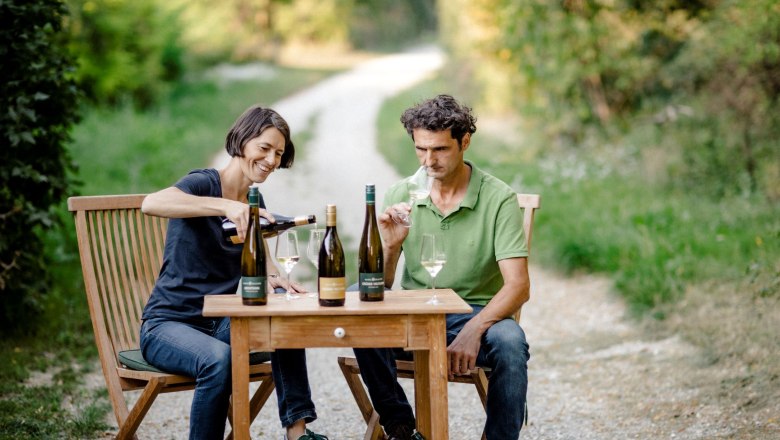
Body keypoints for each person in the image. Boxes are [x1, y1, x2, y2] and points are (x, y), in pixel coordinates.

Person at [140, 105, 327, 440]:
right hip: (169, 324)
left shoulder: (254, 200)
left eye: (278, 153)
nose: (271, 161)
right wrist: (225, 205)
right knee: (218, 360)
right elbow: (151, 203)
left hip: (222, 323)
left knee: (281, 320)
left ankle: (298, 432)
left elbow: (262, 256)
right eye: (265, 148)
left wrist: (277, 282)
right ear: (242, 141)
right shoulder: (202, 183)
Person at [353, 95, 531, 440]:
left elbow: (519, 286)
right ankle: (401, 426)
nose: (428, 161)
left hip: (473, 312)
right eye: (421, 149)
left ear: (464, 141)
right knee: (360, 308)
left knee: (510, 341)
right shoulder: (401, 194)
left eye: (439, 150)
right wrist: (390, 246)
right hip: (415, 313)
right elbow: (382, 284)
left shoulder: (499, 198)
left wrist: (474, 329)